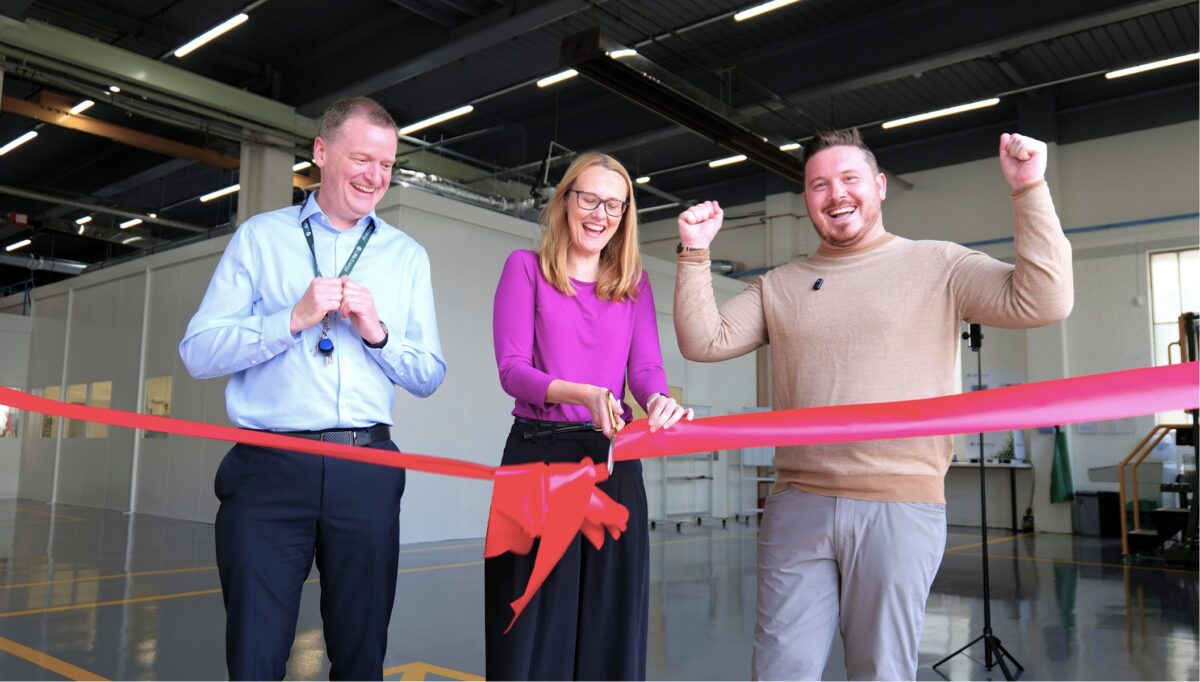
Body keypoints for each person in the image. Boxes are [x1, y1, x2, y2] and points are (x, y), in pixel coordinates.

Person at [673, 129, 1073, 680]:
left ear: (880, 186)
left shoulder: (939, 265)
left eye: (849, 178)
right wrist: (694, 253)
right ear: (807, 199)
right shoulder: (781, 285)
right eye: (819, 184)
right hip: (798, 502)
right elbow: (703, 341)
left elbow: (1044, 300)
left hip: (898, 503)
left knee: (880, 670)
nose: (836, 193)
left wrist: (1029, 189)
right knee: (780, 670)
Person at [179, 96, 446, 681]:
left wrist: (378, 335)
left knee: (361, 655)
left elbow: (429, 375)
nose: (375, 176)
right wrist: (290, 320)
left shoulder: (407, 257)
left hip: (366, 469)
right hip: (268, 471)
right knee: (254, 655)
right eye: (362, 158)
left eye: (387, 164)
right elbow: (198, 352)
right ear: (322, 152)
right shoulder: (260, 238)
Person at [486, 151, 692, 680]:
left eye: (614, 205)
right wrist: (582, 392)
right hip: (538, 460)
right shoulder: (525, 269)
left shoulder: (634, 284)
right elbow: (512, 369)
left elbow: (645, 369)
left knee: (610, 621)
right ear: (565, 201)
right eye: (590, 200)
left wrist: (658, 400)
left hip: (611, 461)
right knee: (530, 624)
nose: (601, 215)